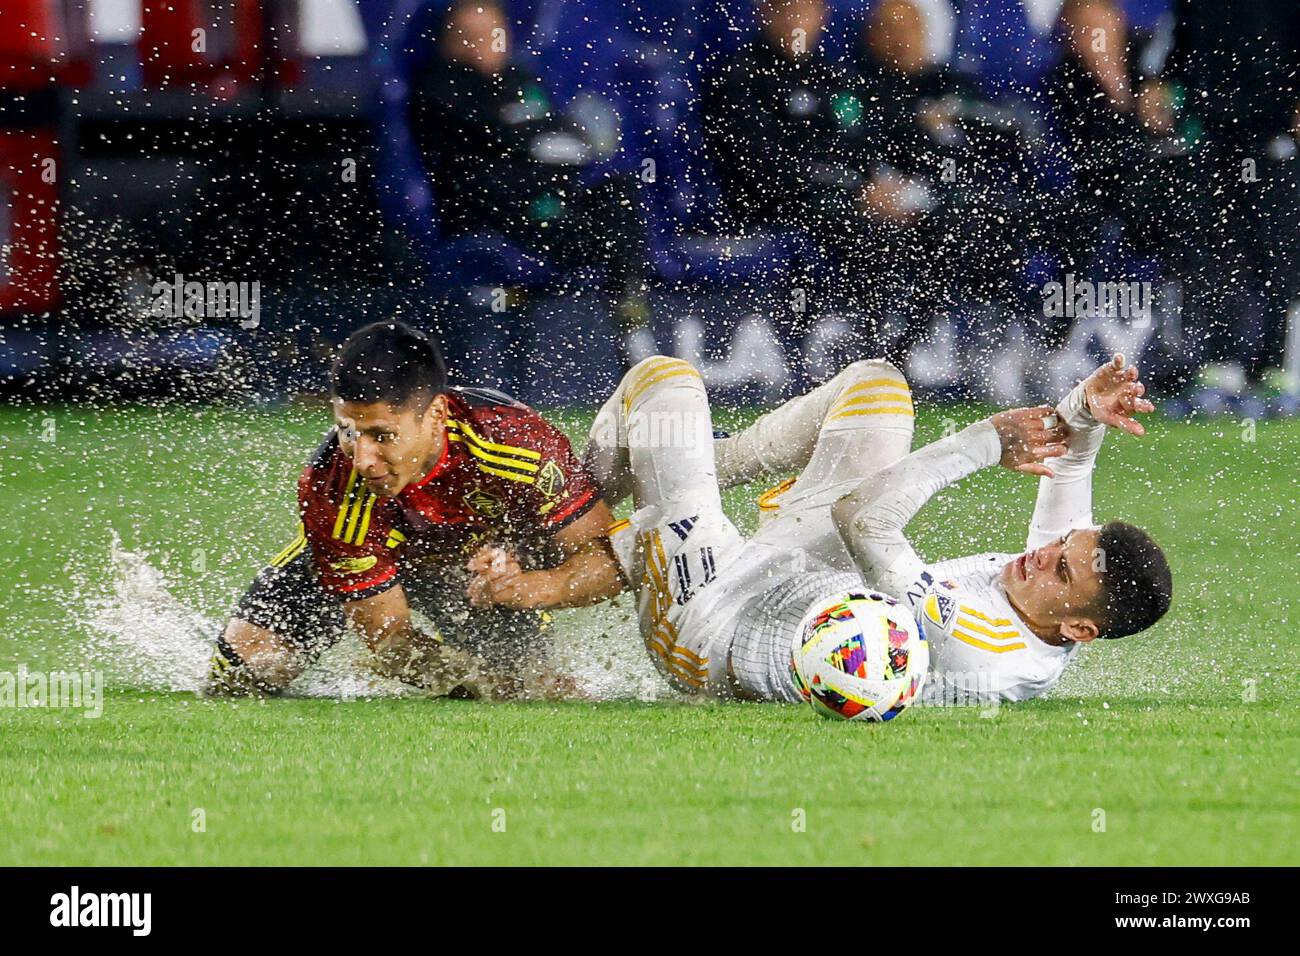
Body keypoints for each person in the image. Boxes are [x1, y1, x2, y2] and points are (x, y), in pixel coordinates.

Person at [469, 352, 1171, 703]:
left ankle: (537, 552)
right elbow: (1069, 485)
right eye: (1060, 547)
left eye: (1060, 568)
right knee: (878, 384)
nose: (1040, 554)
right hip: (795, 574)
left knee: (666, 386)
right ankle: (690, 473)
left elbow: (862, 519)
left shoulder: (977, 650)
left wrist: (985, 440)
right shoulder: (1062, 599)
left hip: (709, 631)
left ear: (1079, 629)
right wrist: (1084, 409)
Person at [206, 320, 622, 697]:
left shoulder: (517, 445)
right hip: (371, 558)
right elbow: (389, 642)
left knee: (534, 688)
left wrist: (531, 588)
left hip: (476, 573)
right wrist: (477, 681)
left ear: (436, 414)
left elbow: (608, 558)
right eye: (348, 431)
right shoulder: (333, 487)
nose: (363, 459)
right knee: (244, 672)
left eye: (382, 435)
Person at [407, 0, 650, 347]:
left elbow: (563, 129)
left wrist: (549, 141)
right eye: (472, 37)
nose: (486, 45)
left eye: (494, 35)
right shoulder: (440, 88)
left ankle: (631, 317)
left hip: (553, 197)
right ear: (451, 42)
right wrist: (537, 141)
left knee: (619, 191)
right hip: (497, 210)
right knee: (576, 224)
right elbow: (496, 139)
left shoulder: (520, 78)